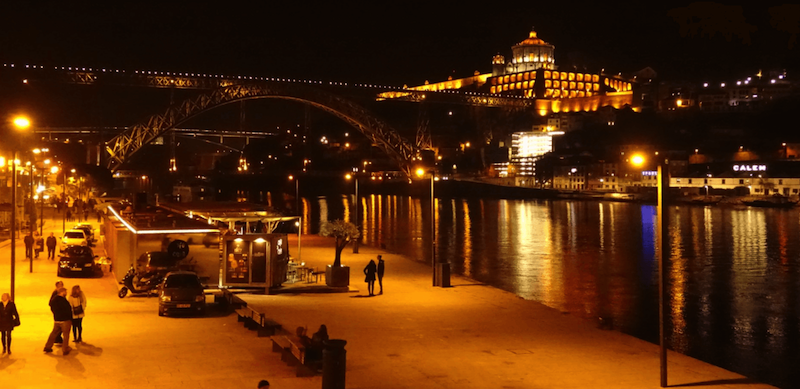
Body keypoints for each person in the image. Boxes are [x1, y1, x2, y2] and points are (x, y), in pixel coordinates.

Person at [44, 287, 72, 355]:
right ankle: (65, 349)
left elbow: (51, 307)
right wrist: (70, 318)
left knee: (53, 333)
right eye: (65, 292)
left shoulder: (54, 300)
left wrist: (55, 314)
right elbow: (68, 310)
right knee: (66, 335)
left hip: (57, 320)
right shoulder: (63, 300)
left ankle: (47, 347)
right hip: (65, 320)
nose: (66, 293)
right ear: (62, 292)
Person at [50, 281, 64, 345]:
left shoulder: (61, 292)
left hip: (60, 312)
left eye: (62, 285)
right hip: (58, 312)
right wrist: (55, 311)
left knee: (60, 326)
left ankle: (57, 338)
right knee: (59, 326)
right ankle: (56, 338)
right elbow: (51, 303)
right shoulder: (56, 293)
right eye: (60, 285)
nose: (62, 286)